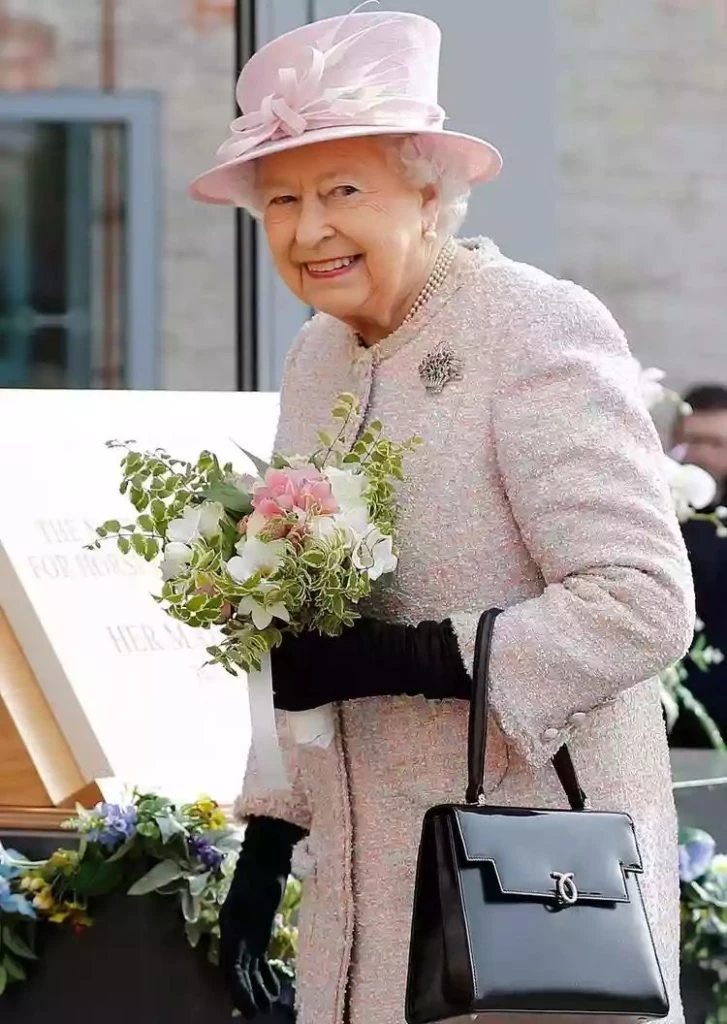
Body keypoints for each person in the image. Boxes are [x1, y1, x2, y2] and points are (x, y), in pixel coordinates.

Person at [190, 11, 694, 1024]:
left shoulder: (530, 323)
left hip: (527, 883)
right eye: (281, 199)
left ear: (428, 198)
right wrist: (267, 838)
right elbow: (291, 621)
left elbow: (642, 602)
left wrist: (422, 658)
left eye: (343, 191)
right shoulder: (315, 358)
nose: (309, 228)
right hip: (357, 900)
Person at [669, 385, 727, 746]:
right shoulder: (653, 505)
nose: (702, 455)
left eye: (716, 443)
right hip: (670, 707)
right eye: (694, 440)